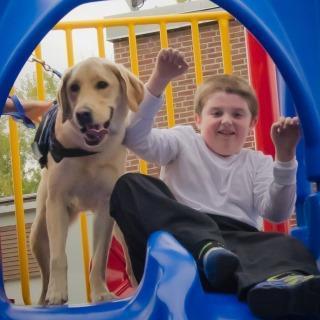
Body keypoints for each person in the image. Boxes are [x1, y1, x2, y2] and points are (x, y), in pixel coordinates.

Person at [110, 48, 320, 319]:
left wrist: (285, 156)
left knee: (289, 246)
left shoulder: (257, 162)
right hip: (183, 239)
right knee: (129, 185)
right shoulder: (183, 141)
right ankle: (209, 251)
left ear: (252, 122)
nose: (226, 121)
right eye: (216, 112)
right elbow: (135, 138)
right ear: (198, 119)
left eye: (237, 114)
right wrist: (159, 80)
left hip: (238, 244)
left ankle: (279, 288)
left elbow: (277, 212)